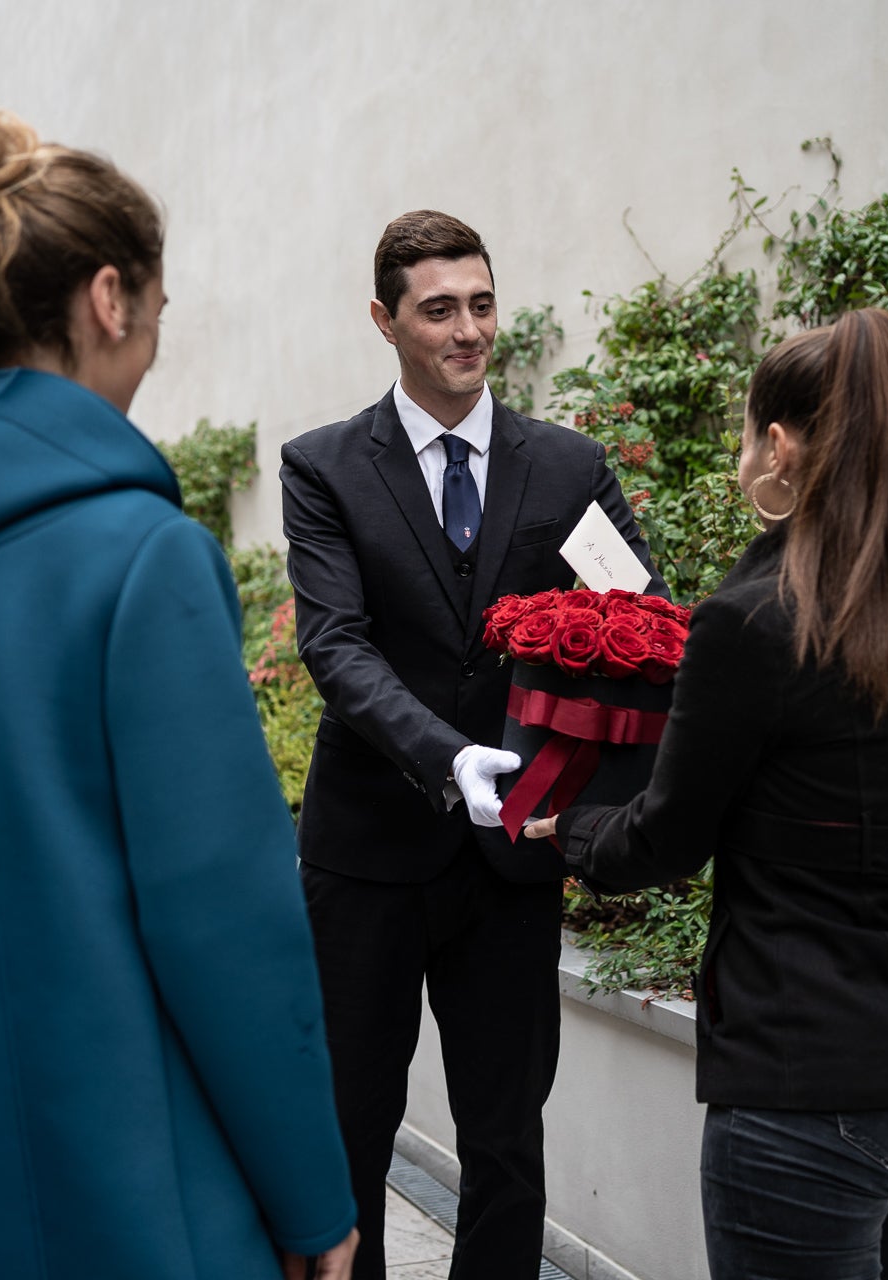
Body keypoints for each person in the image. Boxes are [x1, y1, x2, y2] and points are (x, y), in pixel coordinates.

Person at [0, 105, 357, 1280]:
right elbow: (229, 923)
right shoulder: (141, 553)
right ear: (110, 298)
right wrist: (314, 1201)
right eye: (157, 307)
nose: (154, 337)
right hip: (135, 1186)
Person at [526, 310, 888, 1280]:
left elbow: (666, 839)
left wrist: (567, 826)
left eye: (748, 435)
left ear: (779, 448)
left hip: (812, 1086)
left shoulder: (752, 623)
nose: (742, 454)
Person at [280, 210, 662, 1279]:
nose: (467, 329)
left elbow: (642, 622)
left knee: (507, 1134)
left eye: (481, 303)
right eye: (439, 308)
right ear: (385, 320)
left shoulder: (569, 467)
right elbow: (338, 645)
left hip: (514, 854)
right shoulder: (323, 469)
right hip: (365, 858)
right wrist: (448, 754)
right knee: (351, 1125)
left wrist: (600, 788)